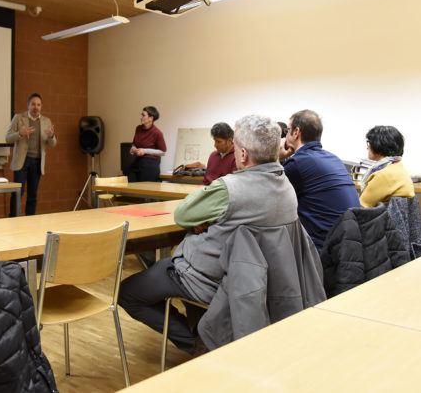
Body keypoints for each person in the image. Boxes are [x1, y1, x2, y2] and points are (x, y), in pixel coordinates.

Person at [119, 115, 300, 354]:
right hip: (256, 282)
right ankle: (204, 333)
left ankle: (197, 344)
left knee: (127, 293)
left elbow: (182, 215)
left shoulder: (229, 188)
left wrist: (207, 220)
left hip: (206, 277)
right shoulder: (287, 188)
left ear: (242, 154)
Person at [279, 109, 360, 252]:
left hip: (322, 250)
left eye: (287, 130)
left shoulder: (298, 163)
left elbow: (273, 197)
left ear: (296, 132)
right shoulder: (333, 158)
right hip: (349, 245)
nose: (285, 135)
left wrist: (277, 158)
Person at [5, 93, 56, 216]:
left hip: (37, 161)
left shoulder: (46, 121)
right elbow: (7, 138)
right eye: (33, 104)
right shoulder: (18, 118)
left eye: (38, 105)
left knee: (32, 195)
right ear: (28, 105)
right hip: (22, 161)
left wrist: (51, 136)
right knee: (18, 193)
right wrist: (20, 134)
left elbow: (53, 143)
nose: (36, 107)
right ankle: (13, 220)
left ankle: (30, 221)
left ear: (41, 107)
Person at [360, 125, 414, 207]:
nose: (368, 147)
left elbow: (362, 207)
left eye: (369, 143)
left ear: (378, 145)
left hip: (382, 215)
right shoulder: (397, 167)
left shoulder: (383, 175)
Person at [127, 106, 166, 182]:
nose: (140, 117)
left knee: (143, 187)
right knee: (129, 180)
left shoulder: (157, 133)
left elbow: (163, 152)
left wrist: (145, 151)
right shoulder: (138, 128)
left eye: (143, 115)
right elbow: (134, 143)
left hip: (150, 164)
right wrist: (133, 148)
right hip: (138, 162)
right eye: (141, 115)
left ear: (151, 118)